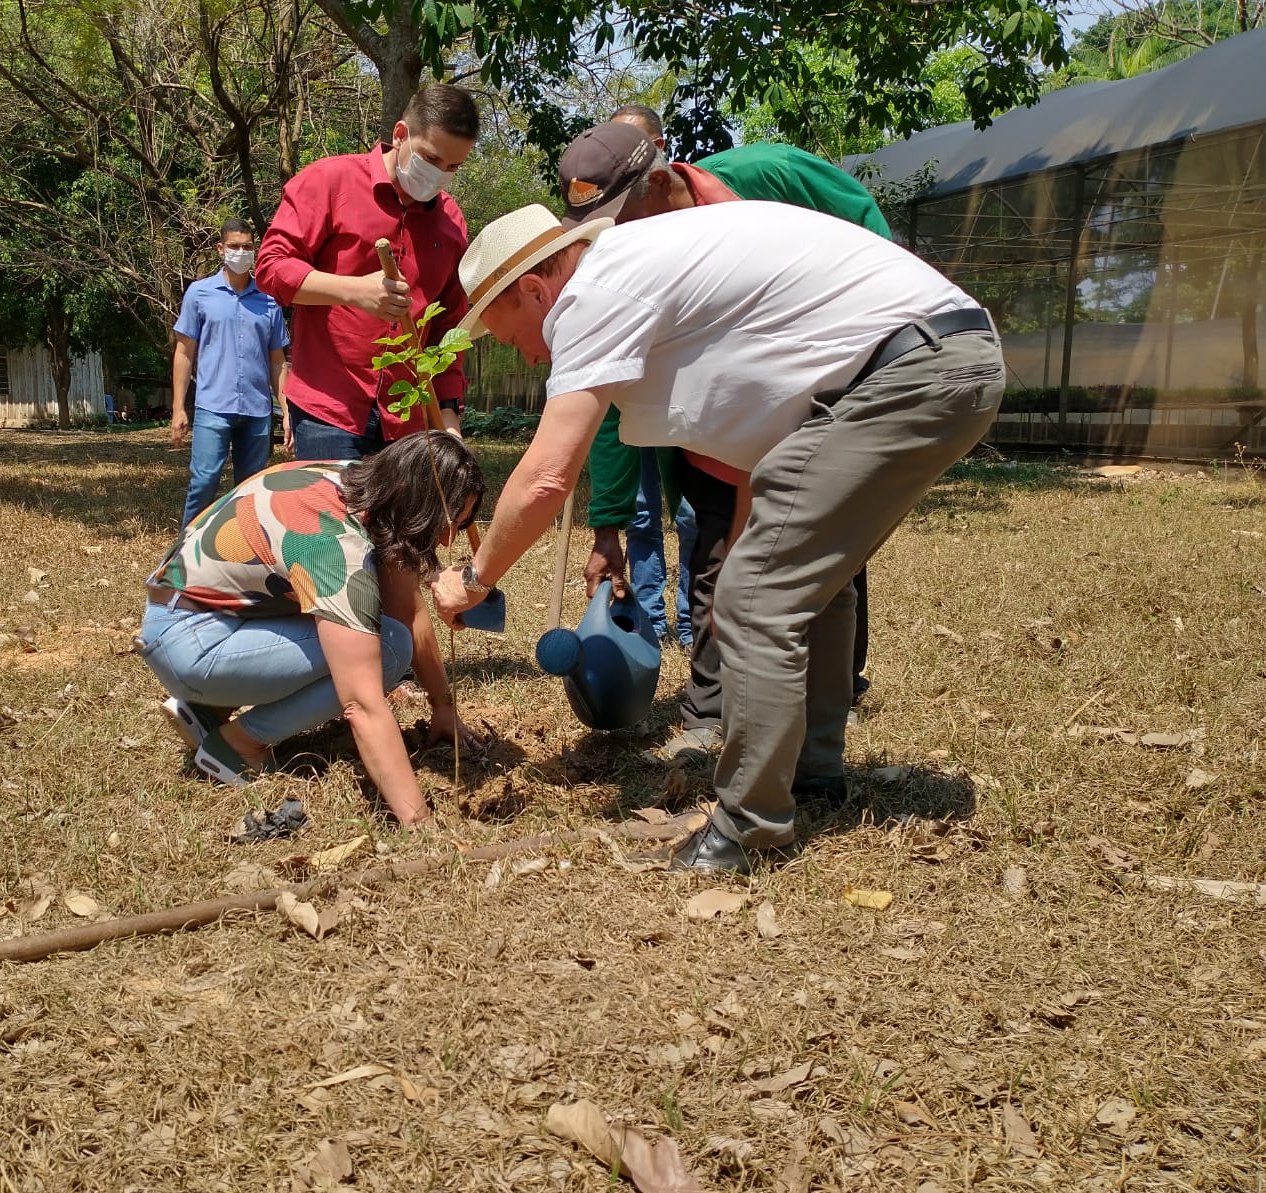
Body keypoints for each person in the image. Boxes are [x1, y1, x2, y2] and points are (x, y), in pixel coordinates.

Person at [432, 202, 1003, 874]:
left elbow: (549, 475)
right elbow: (765, 455)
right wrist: (747, 552)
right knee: (794, 584)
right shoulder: (643, 275)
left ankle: (749, 830)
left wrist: (474, 579)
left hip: (910, 370)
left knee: (759, 600)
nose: (522, 353)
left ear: (534, 289)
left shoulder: (590, 294)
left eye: (506, 332)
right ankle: (811, 774)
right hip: (928, 358)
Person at [567, 115, 894, 758]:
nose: (614, 243)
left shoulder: (771, 175)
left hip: (817, 402)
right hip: (711, 435)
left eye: (618, 223)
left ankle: (832, 697)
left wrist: (869, 349)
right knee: (717, 562)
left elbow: (870, 239)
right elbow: (607, 399)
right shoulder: (628, 269)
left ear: (659, 182)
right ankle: (711, 709)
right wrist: (607, 526)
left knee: (828, 556)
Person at [138, 433, 486, 826]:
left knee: (385, 631)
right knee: (387, 650)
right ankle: (238, 745)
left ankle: (209, 709)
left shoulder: (356, 485)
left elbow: (408, 609)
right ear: (415, 501)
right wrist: (418, 823)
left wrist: (442, 706)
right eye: (445, 522)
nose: (446, 538)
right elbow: (362, 704)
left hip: (196, 616)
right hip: (190, 642)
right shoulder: (333, 545)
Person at [255, 84, 478, 460]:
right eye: (431, 159)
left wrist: (449, 418)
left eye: (453, 167)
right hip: (330, 409)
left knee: (401, 522)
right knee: (332, 520)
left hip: (410, 419)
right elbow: (272, 268)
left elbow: (449, 328)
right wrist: (354, 291)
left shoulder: (451, 222)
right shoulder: (329, 182)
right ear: (400, 134)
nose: (440, 175)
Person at [170, 219, 291, 527]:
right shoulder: (199, 294)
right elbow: (184, 352)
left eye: (247, 247)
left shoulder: (269, 301)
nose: (241, 252)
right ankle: (185, 557)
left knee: (250, 493)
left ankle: (242, 560)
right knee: (204, 483)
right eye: (235, 246)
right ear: (220, 249)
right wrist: (178, 408)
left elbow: (278, 361)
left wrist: (287, 411)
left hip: (257, 411)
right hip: (213, 408)